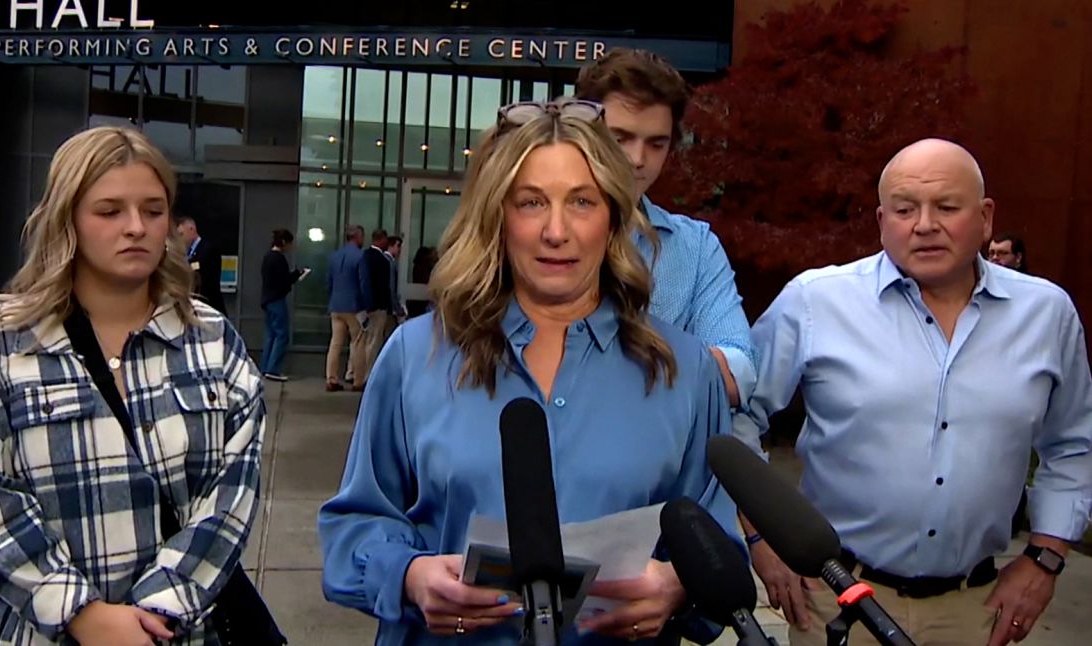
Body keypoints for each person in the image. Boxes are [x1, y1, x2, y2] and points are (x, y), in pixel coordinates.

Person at [318, 99, 741, 645]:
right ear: (498, 215)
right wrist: (407, 576)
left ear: (613, 215)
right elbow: (352, 525)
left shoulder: (683, 371)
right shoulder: (415, 355)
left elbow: (718, 547)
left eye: (582, 202)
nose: (556, 230)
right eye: (531, 202)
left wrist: (679, 587)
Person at [732, 138, 1092, 646]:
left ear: (986, 217)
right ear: (882, 221)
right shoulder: (815, 302)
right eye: (905, 209)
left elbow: (1074, 445)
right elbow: (735, 417)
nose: (925, 224)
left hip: (975, 610)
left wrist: (1045, 558)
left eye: (947, 206)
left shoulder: (1047, 315)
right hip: (836, 599)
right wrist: (759, 537)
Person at [0, 126, 266, 645]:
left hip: (179, 632)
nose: (135, 227)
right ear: (66, 219)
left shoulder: (212, 339)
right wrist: (81, 614)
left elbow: (233, 492)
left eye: (153, 211)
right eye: (109, 211)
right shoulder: (0, 342)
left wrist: (157, 613)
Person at [574, 48, 757, 409]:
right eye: (620, 137)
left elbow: (739, 372)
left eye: (656, 144)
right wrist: (687, 364)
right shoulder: (535, 233)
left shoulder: (696, 246)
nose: (637, 159)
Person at [325, 224, 370, 392]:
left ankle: (331, 378)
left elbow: (328, 282)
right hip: (354, 306)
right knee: (358, 343)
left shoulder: (334, 256)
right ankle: (358, 381)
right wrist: (366, 305)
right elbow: (363, 283)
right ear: (358, 237)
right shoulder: (360, 257)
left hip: (336, 305)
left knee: (335, 344)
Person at [259, 228, 307, 382]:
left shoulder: (267, 257)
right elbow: (284, 281)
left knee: (270, 335)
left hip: (267, 299)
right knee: (281, 335)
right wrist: (297, 274)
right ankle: (273, 369)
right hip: (277, 300)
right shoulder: (279, 258)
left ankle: (265, 367)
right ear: (284, 242)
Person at [360, 229, 398, 379]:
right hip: (377, 306)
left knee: (368, 341)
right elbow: (383, 285)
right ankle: (370, 374)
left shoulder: (366, 256)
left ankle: (363, 373)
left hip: (370, 305)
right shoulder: (380, 260)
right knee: (374, 342)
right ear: (381, 240)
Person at [175, 214, 227, 314]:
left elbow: (208, 281)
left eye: (181, 234)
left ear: (191, 229)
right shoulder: (185, 254)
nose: (180, 239)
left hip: (208, 305)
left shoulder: (208, 250)